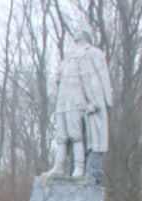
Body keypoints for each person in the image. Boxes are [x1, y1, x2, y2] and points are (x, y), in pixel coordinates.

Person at [44, 26, 113, 182]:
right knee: (61, 136)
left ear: (85, 34)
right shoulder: (68, 55)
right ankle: (59, 167)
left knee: (76, 135)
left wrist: (96, 102)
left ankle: (79, 168)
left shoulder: (92, 53)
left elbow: (98, 78)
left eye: (79, 29)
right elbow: (59, 78)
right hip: (63, 99)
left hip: (78, 100)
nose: (75, 31)